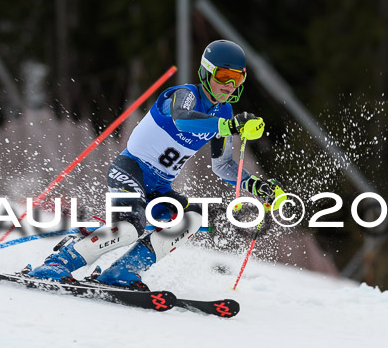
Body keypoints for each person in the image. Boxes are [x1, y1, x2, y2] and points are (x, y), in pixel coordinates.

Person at [26, 39, 284, 290]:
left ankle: (122, 271)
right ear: (207, 72)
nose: (229, 85)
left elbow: (223, 165)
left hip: (160, 186)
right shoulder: (185, 95)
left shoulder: (224, 113)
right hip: (131, 170)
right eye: (223, 75)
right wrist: (229, 126)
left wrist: (256, 186)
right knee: (128, 228)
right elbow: (183, 120)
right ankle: (59, 262)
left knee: (191, 218)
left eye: (236, 78)